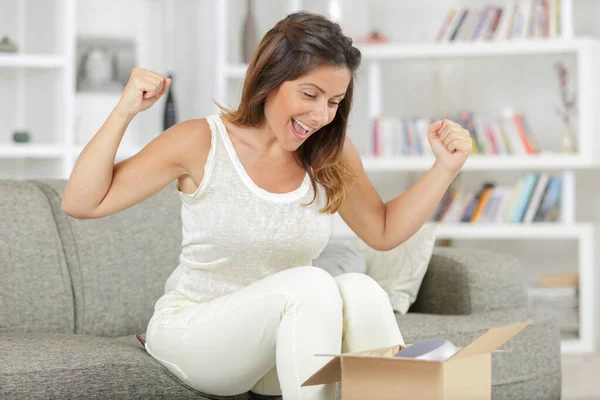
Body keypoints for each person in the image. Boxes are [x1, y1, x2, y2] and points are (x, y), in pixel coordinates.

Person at [61, 11, 472, 400]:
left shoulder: (331, 152)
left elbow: (382, 231)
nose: (320, 116)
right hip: (197, 335)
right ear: (269, 79)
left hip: (281, 342)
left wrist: (444, 169)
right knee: (311, 283)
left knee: (361, 290)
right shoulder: (199, 142)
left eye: (333, 102)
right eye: (310, 94)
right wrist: (125, 109)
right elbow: (81, 202)